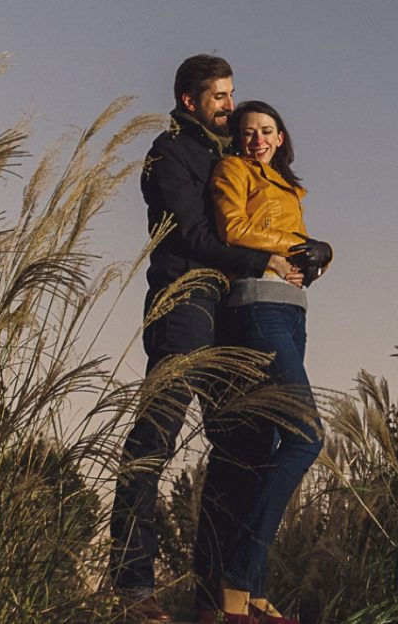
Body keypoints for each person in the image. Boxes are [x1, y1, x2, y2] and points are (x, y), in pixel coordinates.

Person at [109, 56, 304, 624]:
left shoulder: (230, 157)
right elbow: (192, 234)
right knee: (155, 436)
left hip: (228, 312)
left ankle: (214, 598)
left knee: (241, 449)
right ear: (191, 101)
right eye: (219, 96)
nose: (230, 104)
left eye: (232, 93)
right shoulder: (170, 153)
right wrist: (260, 257)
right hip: (183, 303)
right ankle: (131, 587)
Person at [203, 100, 333, 624]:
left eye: (267, 131)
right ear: (239, 140)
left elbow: (301, 255)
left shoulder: (291, 189)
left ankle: (254, 591)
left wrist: (320, 256)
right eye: (248, 131)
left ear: (281, 138)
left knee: (273, 444)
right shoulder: (232, 170)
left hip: (292, 313)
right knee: (306, 436)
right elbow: (232, 229)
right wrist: (294, 247)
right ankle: (237, 577)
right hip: (256, 305)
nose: (257, 139)